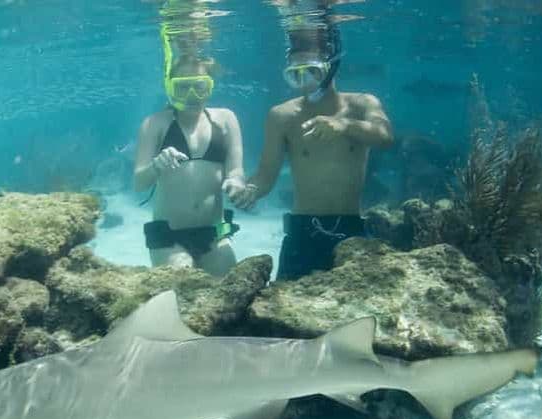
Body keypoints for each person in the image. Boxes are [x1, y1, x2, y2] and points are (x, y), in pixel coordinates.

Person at [227, 21, 394, 280]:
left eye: (312, 72)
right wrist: (249, 192)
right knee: (281, 316)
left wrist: (343, 125)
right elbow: (265, 175)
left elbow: (384, 136)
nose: (304, 82)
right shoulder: (281, 116)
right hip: (302, 234)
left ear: (332, 65)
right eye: (296, 75)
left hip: (351, 232)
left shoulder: (362, 104)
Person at [133, 53, 245, 277]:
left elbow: (236, 170)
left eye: (200, 86)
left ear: (210, 85)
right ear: (169, 87)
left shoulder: (226, 120)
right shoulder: (155, 124)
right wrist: (156, 166)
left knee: (227, 297)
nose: (192, 95)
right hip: (169, 238)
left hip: (215, 235)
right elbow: (139, 183)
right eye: (182, 87)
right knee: (183, 292)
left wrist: (236, 182)